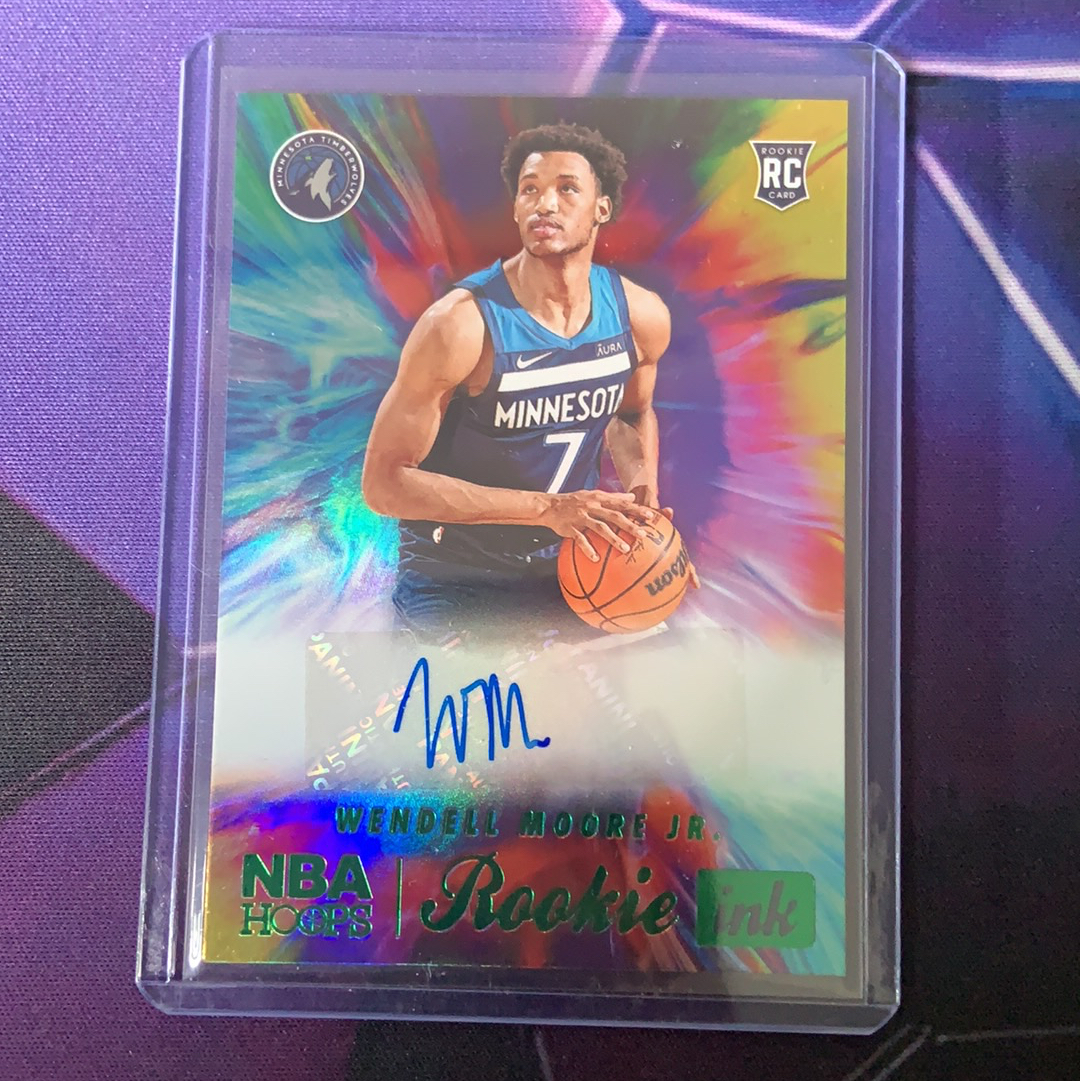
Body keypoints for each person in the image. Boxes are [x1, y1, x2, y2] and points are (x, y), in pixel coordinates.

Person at [363, 122, 694, 645]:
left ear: (601, 208)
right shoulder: (459, 326)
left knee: (661, 659)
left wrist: (643, 500)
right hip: (457, 575)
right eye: (530, 190)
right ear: (516, 210)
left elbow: (631, 414)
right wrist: (548, 509)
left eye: (567, 188)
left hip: (568, 565)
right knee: (492, 691)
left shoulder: (640, 316)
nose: (545, 204)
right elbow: (384, 484)